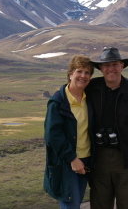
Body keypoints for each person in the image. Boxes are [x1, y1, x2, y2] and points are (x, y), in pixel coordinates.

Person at [87, 47, 128, 209]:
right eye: (107, 65)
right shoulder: (91, 88)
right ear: (101, 68)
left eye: (115, 64)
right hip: (98, 159)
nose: (111, 69)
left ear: (122, 66)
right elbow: (70, 92)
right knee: (99, 204)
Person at [44, 54, 96, 209]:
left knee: (76, 203)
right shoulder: (58, 102)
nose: (83, 76)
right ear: (70, 74)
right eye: (79, 71)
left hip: (87, 160)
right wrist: (72, 158)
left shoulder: (89, 99)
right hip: (67, 163)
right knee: (70, 205)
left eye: (87, 73)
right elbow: (52, 135)